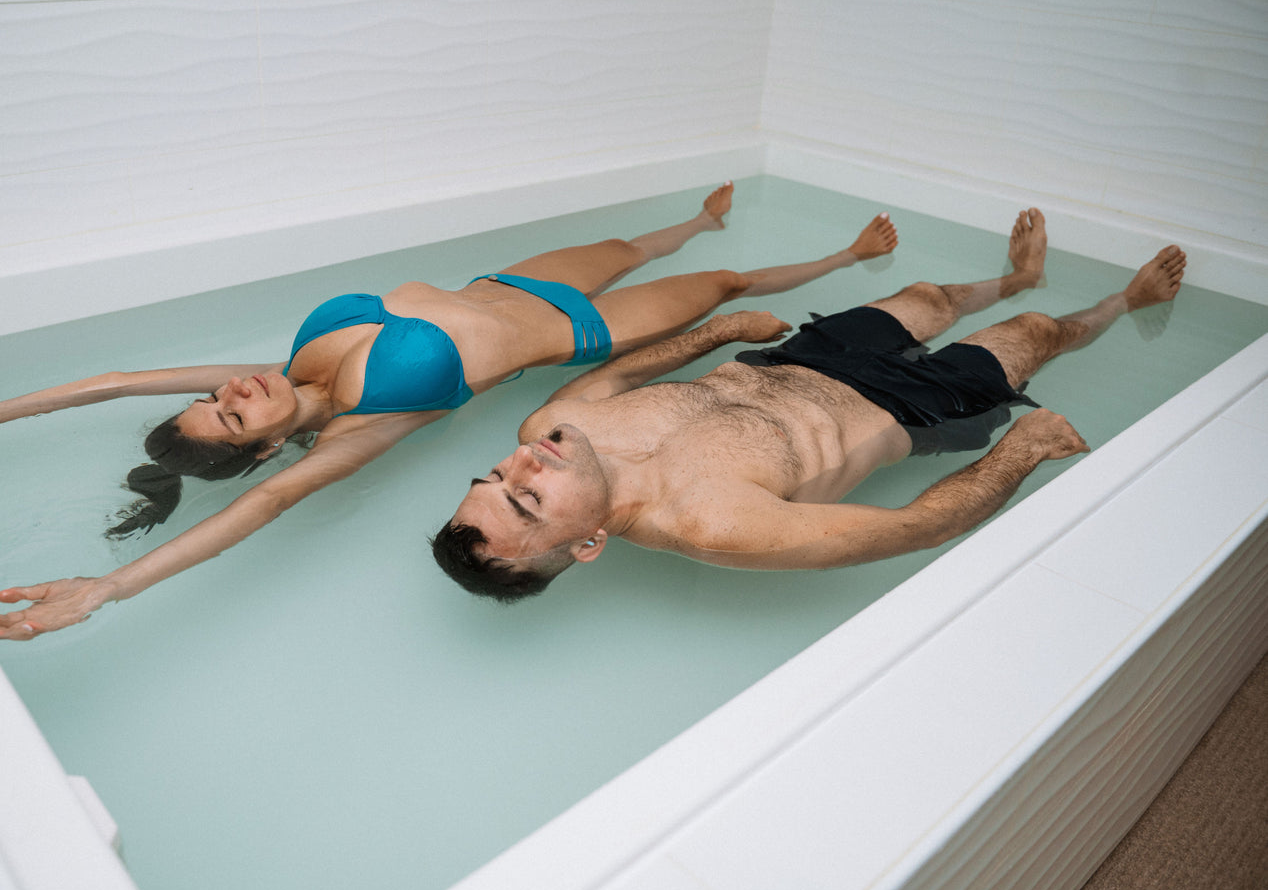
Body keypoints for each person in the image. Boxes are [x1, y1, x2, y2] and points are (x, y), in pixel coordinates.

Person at [0, 183, 900, 639]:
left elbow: (106, 380)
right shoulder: (360, 424)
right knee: (718, 282)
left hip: (513, 276)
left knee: (643, 241)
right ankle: (849, 256)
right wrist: (111, 586)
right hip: (577, 332)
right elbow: (256, 513)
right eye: (232, 419)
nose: (228, 393)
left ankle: (695, 211)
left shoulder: (283, 364)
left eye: (211, 397)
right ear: (269, 444)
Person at [433, 209, 1188, 600]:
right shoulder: (719, 525)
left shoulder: (552, 429)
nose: (524, 461)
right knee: (1037, 334)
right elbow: (922, 528)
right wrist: (1021, 450)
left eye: (495, 475)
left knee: (926, 296)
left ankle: (1018, 275)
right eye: (529, 497)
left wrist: (723, 329)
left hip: (791, 357)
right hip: (912, 408)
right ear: (590, 542)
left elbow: (616, 378)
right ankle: (1125, 299)